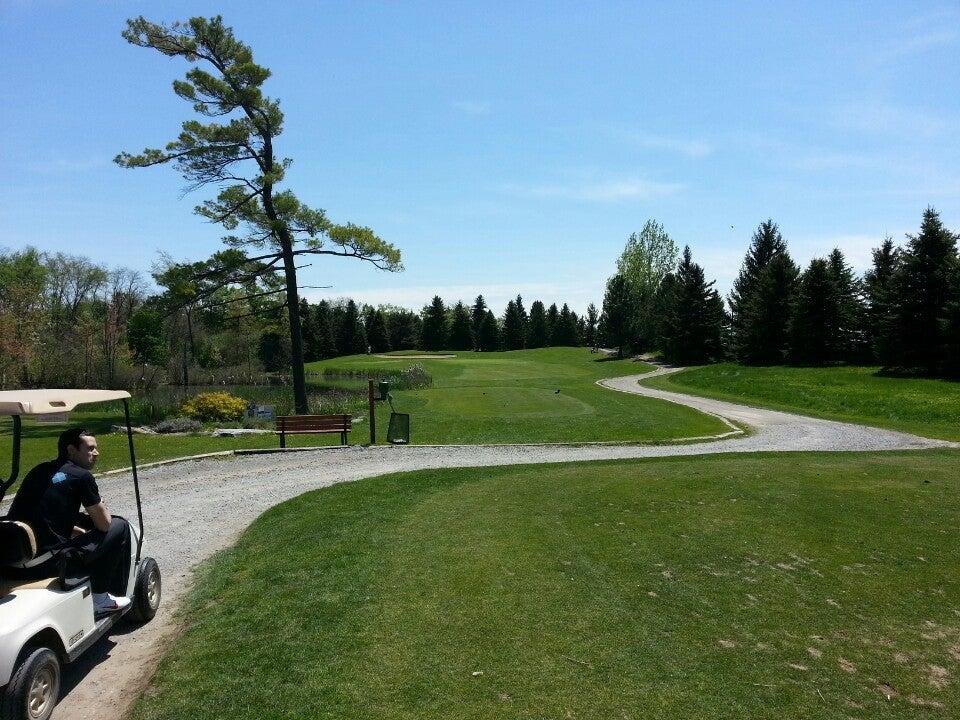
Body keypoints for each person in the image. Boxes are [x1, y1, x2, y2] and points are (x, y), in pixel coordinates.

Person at [11, 427, 131, 613]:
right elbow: (104, 524)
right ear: (71, 450)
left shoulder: (39, 471)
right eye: (90, 448)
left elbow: (46, 514)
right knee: (119, 525)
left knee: (84, 524)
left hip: (15, 562)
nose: (96, 453)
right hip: (47, 565)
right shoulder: (82, 476)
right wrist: (102, 506)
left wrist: (74, 528)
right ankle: (100, 598)